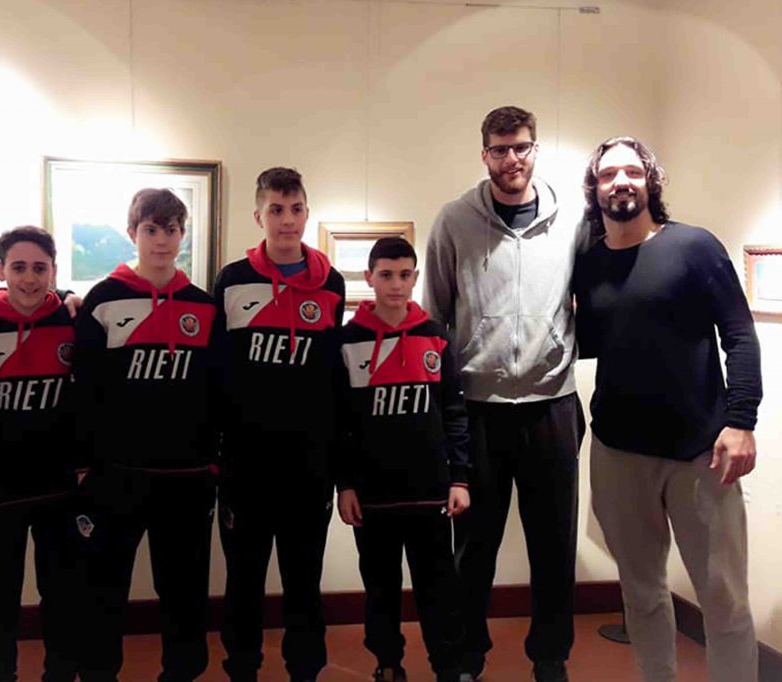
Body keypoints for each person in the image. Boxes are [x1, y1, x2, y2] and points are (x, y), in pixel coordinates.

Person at [573, 136, 762, 682]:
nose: (621, 182)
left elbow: (739, 336)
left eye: (632, 171)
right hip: (618, 451)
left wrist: (741, 421)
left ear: (650, 182)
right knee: (642, 593)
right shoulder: (590, 263)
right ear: (596, 189)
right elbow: (592, 341)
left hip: (700, 452)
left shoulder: (695, 247)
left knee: (724, 601)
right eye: (608, 174)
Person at [422, 106, 589, 682]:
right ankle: (467, 656)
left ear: (535, 149)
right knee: (472, 548)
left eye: (520, 147)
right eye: (499, 149)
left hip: (552, 405)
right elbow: (435, 317)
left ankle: (550, 657)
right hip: (477, 410)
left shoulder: (574, 220)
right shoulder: (454, 221)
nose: (511, 158)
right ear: (484, 155)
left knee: (554, 546)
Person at [73, 188, 220, 682]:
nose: (162, 240)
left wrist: (213, 456)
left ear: (183, 235)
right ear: (132, 232)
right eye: (151, 230)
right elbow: (84, 390)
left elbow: (217, 389)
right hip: (117, 476)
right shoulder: (103, 300)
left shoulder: (204, 306)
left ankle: (182, 674)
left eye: (172, 230)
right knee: (104, 588)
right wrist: (85, 463)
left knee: (184, 593)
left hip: (187, 477)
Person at [214, 167, 345, 682]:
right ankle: (242, 668)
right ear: (259, 216)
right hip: (244, 464)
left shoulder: (331, 283)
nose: (286, 220)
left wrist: (335, 461)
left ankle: (304, 670)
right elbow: (217, 371)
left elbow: (333, 378)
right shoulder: (232, 280)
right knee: (243, 580)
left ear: (306, 213)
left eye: (295, 210)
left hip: (308, 465)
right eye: (276, 210)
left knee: (303, 581)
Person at [337, 237, 471, 682]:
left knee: (438, 589)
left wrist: (459, 478)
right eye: (386, 275)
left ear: (415, 278)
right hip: (372, 495)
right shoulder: (347, 341)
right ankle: (388, 663)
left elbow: (454, 412)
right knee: (380, 589)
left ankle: (447, 666)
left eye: (404, 275)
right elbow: (340, 422)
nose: (396, 284)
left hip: (429, 492)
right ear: (369, 278)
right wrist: (345, 484)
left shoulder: (436, 337)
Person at [0, 226, 80, 681]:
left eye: (39, 268)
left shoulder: (73, 320)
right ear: (1, 270)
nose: (29, 278)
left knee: (64, 592)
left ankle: (61, 673)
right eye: (18, 267)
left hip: (59, 485)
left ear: (53, 270)